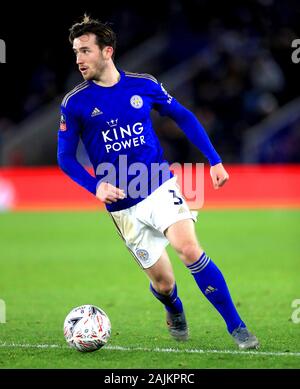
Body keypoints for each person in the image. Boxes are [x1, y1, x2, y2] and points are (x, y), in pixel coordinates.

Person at [57, 15, 259, 350]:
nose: (78, 59)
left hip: (158, 185)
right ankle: (173, 308)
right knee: (164, 284)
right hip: (122, 206)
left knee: (190, 249)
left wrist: (214, 160)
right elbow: (65, 158)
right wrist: (95, 186)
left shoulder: (143, 85)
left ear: (107, 51)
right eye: (76, 52)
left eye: (86, 51)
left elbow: (183, 115)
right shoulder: (75, 102)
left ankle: (237, 327)